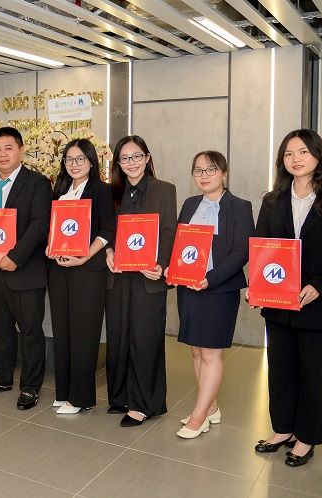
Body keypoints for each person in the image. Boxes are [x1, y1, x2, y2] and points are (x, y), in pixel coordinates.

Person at [252, 129, 322, 467]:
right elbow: (261, 247)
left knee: (314, 372)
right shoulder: (272, 200)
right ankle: (284, 428)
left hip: (317, 303)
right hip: (278, 302)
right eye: (288, 153)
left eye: (302, 151)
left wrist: (320, 286)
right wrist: (257, 286)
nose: (295, 159)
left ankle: (308, 436)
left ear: (318, 155)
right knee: (281, 369)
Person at [165, 151, 253, 438]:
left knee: (211, 354)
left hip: (219, 289)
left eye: (210, 170)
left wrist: (210, 279)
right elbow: (180, 243)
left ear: (224, 173)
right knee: (196, 350)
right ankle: (212, 406)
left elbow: (242, 251)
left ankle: (199, 416)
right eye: (198, 171)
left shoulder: (239, 207)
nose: (203, 176)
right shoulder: (190, 204)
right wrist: (172, 269)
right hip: (188, 287)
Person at [0, 126, 52, 411]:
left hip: (25, 272)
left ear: (20, 150)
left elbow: (40, 225)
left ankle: (30, 386)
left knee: (30, 331)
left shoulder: (38, 183)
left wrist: (15, 257)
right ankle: (3, 377)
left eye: (8, 148)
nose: (2, 154)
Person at [105, 135, 177, 427]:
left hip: (149, 276)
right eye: (125, 158)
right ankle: (120, 396)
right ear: (118, 163)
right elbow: (107, 229)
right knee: (120, 336)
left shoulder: (164, 190)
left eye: (136, 156)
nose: (131, 163)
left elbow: (170, 230)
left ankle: (145, 403)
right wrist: (108, 250)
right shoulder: (112, 193)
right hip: (119, 276)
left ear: (147, 158)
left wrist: (161, 264)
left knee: (145, 339)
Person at [47, 139, 115, 414]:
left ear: (91, 161)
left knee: (84, 331)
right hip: (59, 269)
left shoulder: (101, 190)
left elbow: (109, 229)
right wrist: (50, 246)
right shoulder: (60, 190)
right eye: (69, 160)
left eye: (80, 159)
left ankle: (81, 397)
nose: (74, 165)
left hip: (87, 269)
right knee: (62, 329)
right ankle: (63, 392)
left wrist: (85, 255)